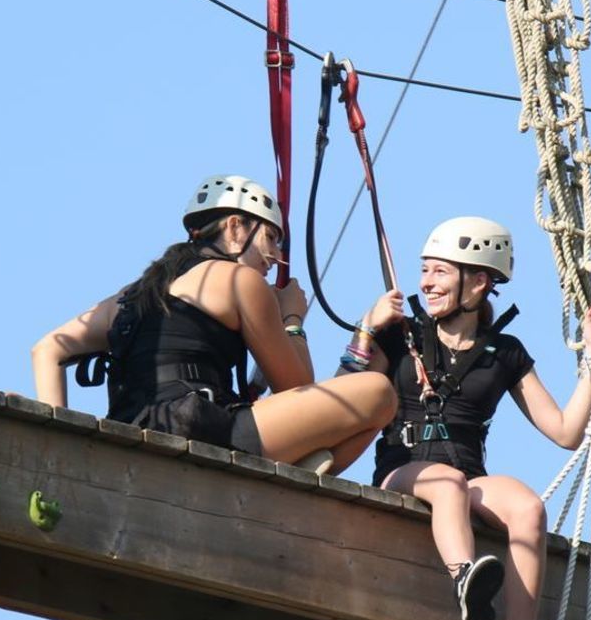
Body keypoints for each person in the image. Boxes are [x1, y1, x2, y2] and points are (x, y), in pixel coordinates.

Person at [340, 216, 591, 620]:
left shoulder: (504, 353)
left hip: (467, 475)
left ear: (480, 282)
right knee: (444, 482)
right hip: (405, 468)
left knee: (528, 508)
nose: (427, 283)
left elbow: (565, 431)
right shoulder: (402, 336)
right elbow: (343, 394)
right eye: (425, 271)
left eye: (440, 272)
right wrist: (368, 328)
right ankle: (465, 575)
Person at [32, 175, 397, 473]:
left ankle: (296, 464)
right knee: (378, 394)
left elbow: (47, 349)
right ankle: (297, 470)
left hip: (130, 427)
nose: (276, 257)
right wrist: (292, 318)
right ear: (236, 227)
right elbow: (296, 387)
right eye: (271, 238)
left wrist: (65, 442)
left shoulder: (136, 293)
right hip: (204, 428)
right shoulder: (240, 281)